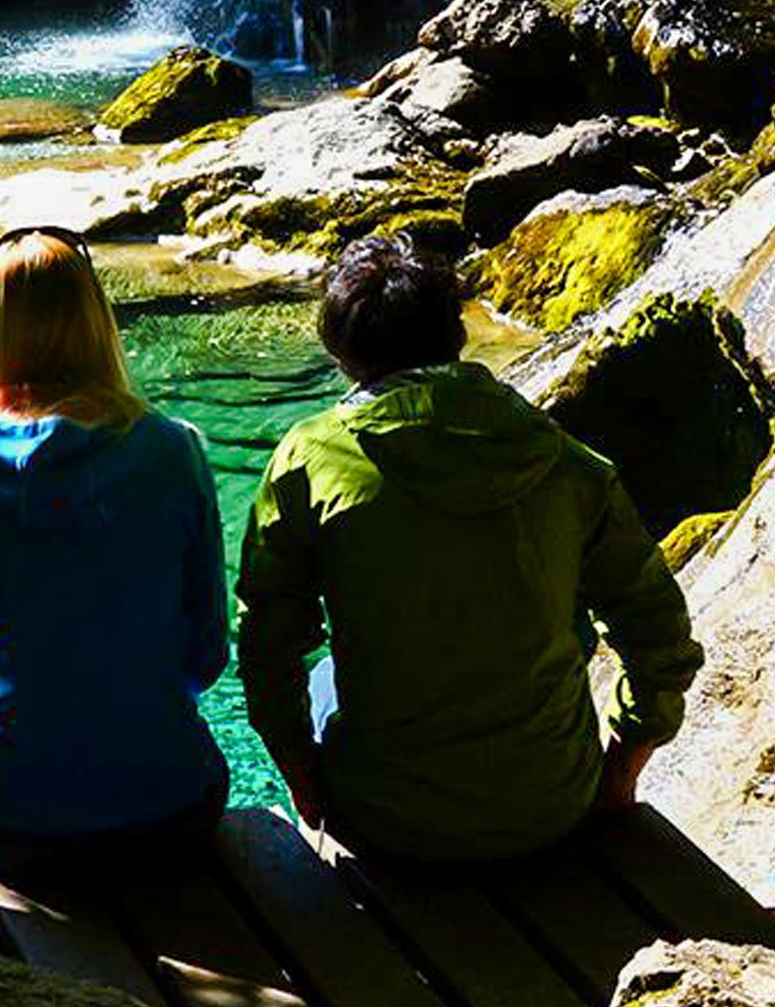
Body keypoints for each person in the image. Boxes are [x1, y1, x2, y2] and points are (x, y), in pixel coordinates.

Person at [236, 234, 702, 862]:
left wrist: (302, 779)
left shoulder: (310, 459)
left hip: (386, 818)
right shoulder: (565, 462)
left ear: (341, 355)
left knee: (323, 676)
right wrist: (620, 773)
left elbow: (267, 644)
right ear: (457, 338)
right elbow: (662, 640)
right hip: (552, 805)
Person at [0, 227, 230, 888]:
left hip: (14, 822)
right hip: (169, 816)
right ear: (96, 319)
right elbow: (207, 654)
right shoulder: (173, 450)